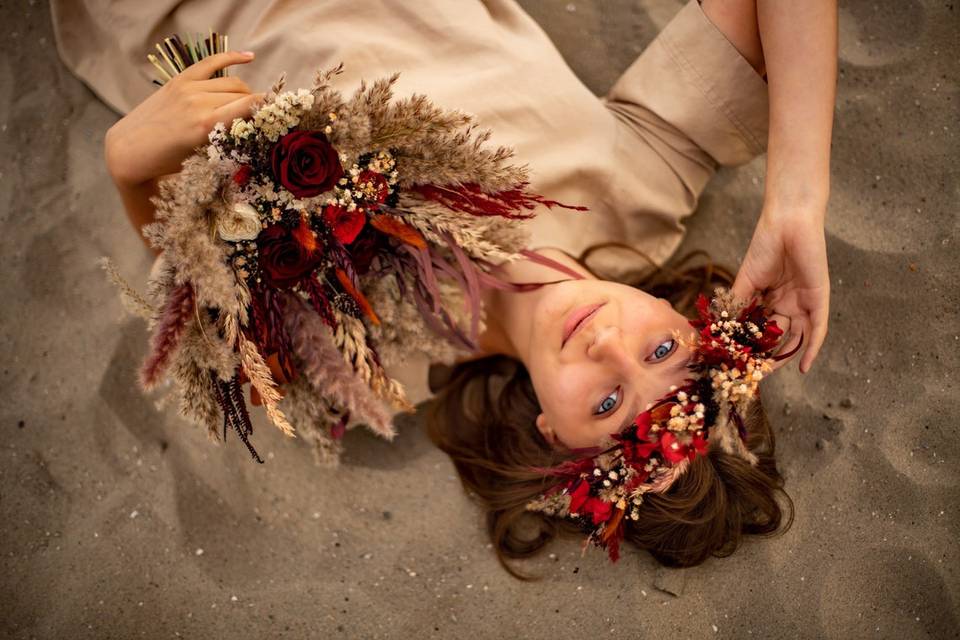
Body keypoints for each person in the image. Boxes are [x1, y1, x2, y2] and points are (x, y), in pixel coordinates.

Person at [54, 0, 836, 571]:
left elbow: (194, 269)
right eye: (661, 349)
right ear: (690, 316)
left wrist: (129, 163)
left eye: (606, 403)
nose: (606, 345)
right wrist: (797, 198)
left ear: (554, 439)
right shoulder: (643, 191)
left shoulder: (373, 371)